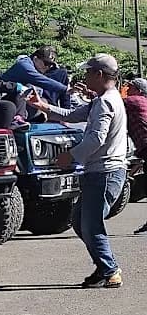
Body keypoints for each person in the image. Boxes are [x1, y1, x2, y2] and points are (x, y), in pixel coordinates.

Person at [53, 54, 128, 288]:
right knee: (80, 222)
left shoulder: (105, 102)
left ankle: (110, 271)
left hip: (105, 173)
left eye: (88, 72)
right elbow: (72, 115)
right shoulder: (104, 99)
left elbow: (96, 138)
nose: (84, 76)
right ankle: (105, 267)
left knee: (91, 226)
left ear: (99, 74)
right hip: (101, 172)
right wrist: (42, 105)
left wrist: (70, 155)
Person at [0, 46, 71, 108]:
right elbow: (40, 80)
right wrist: (65, 89)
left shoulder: (36, 66)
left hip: (20, 99)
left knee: (62, 73)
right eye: (46, 63)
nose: (48, 67)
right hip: (8, 98)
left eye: (51, 65)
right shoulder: (24, 66)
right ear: (35, 59)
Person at [124, 78, 147, 235]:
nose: (127, 89)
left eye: (130, 87)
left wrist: (91, 93)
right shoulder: (141, 101)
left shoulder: (135, 101)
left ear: (139, 90)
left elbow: (112, 103)